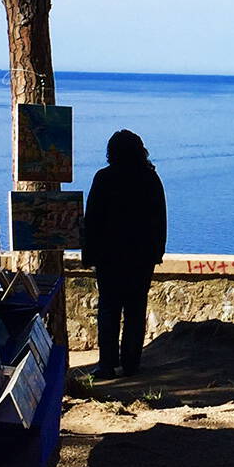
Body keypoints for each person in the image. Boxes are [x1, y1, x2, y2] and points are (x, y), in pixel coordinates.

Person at [80, 129, 167, 377]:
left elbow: (93, 219)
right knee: (135, 310)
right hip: (141, 256)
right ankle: (131, 363)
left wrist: (89, 254)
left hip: (110, 256)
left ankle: (106, 365)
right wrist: (156, 251)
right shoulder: (150, 179)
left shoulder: (104, 178)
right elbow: (160, 219)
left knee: (109, 309)